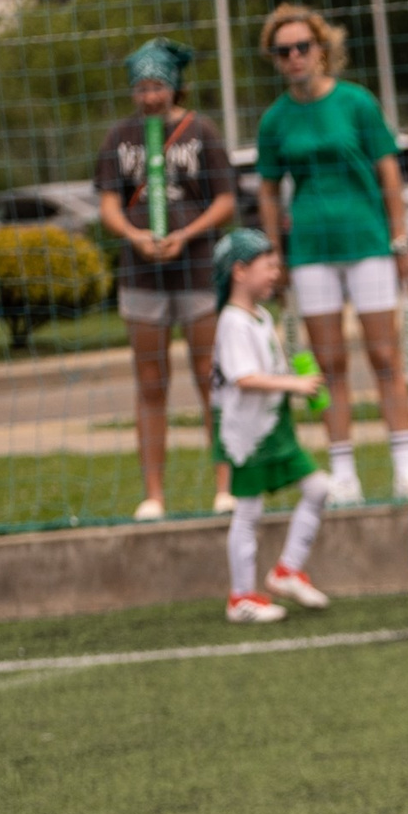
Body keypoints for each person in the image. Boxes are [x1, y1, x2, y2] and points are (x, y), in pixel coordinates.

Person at [254, 4, 408, 507]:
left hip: (368, 244)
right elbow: (267, 190)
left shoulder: (357, 103)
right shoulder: (275, 120)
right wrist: (274, 255)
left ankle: (404, 466)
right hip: (310, 253)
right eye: (282, 51)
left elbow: (389, 172)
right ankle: (344, 471)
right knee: (326, 366)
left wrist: (400, 239)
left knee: (384, 356)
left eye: (302, 47)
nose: (293, 57)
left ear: (322, 49)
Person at [94, 38, 236, 521]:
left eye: (157, 86)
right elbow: (109, 203)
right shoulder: (119, 137)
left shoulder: (203, 132)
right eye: (141, 88)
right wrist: (134, 236)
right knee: (150, 383)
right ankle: (153, 494)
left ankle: (224, 484)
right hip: (141, 276)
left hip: (196, 272)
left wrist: (189, 233)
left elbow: (225, 200)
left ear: (174, 86)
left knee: (208, 377)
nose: (149, 96)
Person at [207, 229, 331, 624]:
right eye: (269, 265)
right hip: (247, 435)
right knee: (248, 511)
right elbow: (244, 377)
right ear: (239, 271)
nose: (276, 272)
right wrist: (293, 384)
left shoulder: (260, 316)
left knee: (318, 488)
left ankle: (286, 571)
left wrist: (295, 374)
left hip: (273, 428)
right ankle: (241, 597)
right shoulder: (232, 323)